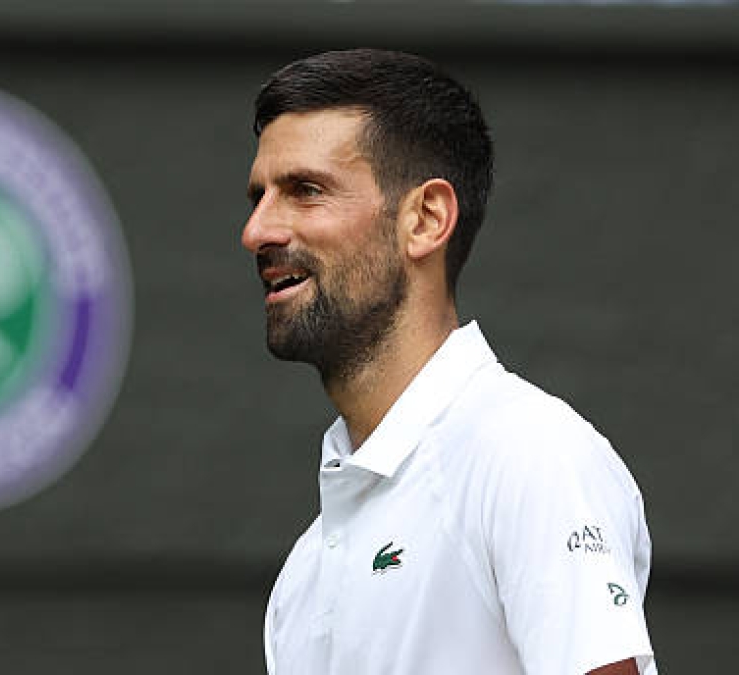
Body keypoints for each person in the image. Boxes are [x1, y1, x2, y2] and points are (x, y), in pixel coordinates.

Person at [242, 49, 656, 675]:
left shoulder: (529, 456)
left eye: (305, 190)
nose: (257, 230)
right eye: (260, 195)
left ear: (426, 219)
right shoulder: (303, 573)